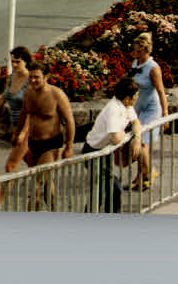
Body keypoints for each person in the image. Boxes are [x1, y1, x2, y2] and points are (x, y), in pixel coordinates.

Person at [82, 76, 142, 212]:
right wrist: (125, 131)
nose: (137, 97)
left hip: (105, 151)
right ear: (127, 98)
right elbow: (116, 138)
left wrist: (137, 138)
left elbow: (136, 123)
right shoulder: (114, 109)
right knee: (109, 190)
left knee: (106, 191)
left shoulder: (126, 106)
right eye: (136, 95)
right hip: (93, 152)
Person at [14, 62, 75, 166]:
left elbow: (69, 121)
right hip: (33, 142)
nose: (33, 80)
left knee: (40, 179)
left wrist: (69, 147)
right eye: (30, 77)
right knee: (41, 179)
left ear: (46, 77)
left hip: (51, 143)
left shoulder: (57, 95)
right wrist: (17, 133)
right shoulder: (28, 92)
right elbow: (23, 114)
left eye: (36, 77)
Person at [129, 32, 168, 189]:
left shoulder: (153, 68)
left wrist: (165, 114)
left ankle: (150, 171)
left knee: (142, 143)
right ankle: (141, 174)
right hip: (137, 108)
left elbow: (161, 91)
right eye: (135, 51)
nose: (136, 54)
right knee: (136, 142)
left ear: (147, 51)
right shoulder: (135, 64)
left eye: (139, 52)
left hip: (151, 109)